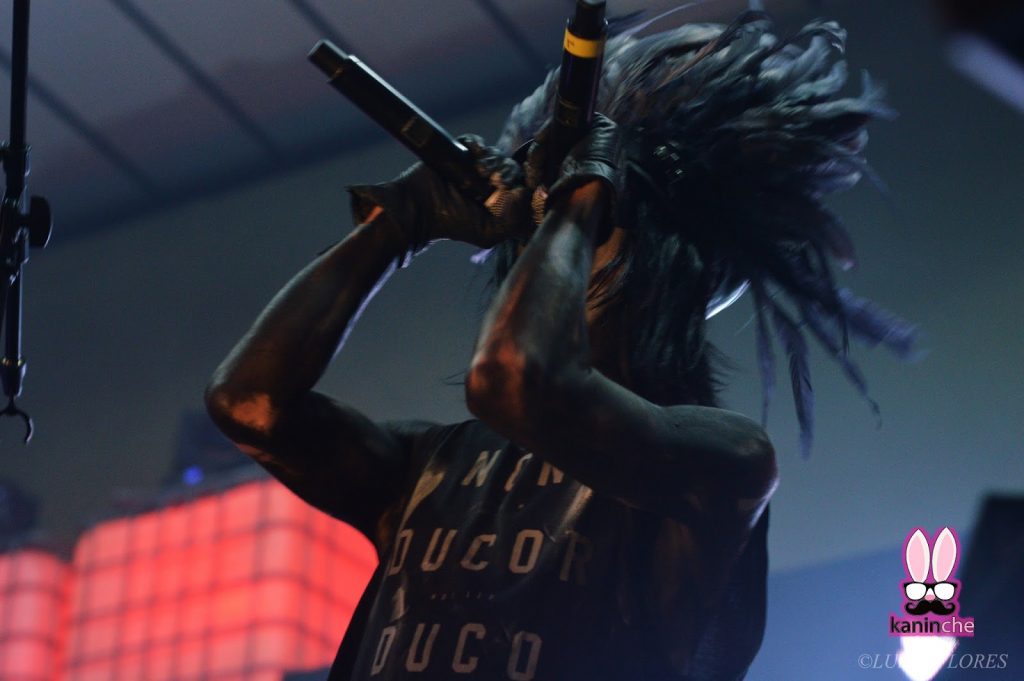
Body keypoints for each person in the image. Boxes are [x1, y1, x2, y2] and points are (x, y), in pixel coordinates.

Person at [206, 12, 914, 680]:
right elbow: (249, 403)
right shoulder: (428, 465)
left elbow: (517, 380)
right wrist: (399, 222)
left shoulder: (724, 462)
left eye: (584, 210)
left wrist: (581, 198)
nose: (542, 230)